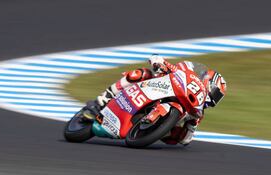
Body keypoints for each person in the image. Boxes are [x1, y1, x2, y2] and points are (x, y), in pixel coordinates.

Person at [90, 54, 227, 145]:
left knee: (175, 137)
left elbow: (186, 140)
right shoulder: (188, 72)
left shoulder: (198, 113)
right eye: (216, 93)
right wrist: (160, 63)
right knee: (140, 74)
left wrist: (191, 125)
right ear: (208, 82)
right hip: (155, 86)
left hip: (157, 126)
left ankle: (147, 127)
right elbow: (160, 60)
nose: (215, 99)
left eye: (218, 97)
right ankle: (106, 96)